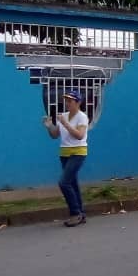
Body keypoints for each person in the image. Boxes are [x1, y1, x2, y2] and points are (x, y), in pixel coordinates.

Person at [42, 89, 89, 227]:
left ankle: (75, 213)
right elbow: (55, 135)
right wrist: (49, 126)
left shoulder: (82, 117)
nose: (67, 103)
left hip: (78, 153)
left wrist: (65, 123)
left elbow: (80, 135)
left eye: (70, 101)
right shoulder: (63, 116)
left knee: (64, 183)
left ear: (78, 102)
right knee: (72, 184)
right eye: (66, 101)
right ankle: (81, 213)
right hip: (64, 154)